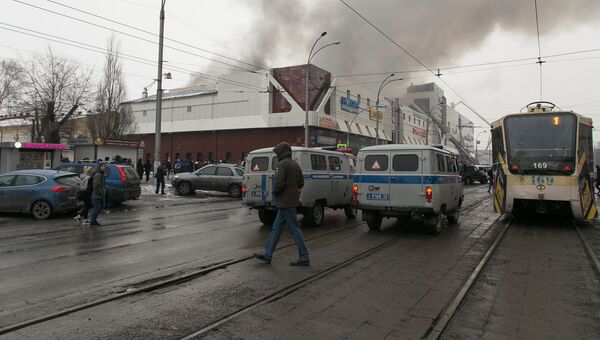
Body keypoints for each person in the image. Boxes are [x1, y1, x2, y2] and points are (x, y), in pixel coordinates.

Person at [255, 142, 309, 266]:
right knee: (276, 228)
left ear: (281, 153)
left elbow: (279, 183)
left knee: (294, 229)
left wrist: (275, 191)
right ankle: (267, 254)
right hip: (292, 201)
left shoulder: (282, 165)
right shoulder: (295, 164)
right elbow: (301, 183)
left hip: (285, 202)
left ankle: (304, 257)